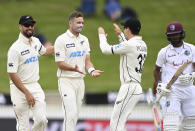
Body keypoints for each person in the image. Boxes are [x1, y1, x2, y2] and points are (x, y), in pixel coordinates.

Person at [54, 11, 104, 131]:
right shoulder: (61, 39)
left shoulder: (85, 40)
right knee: (70, 114)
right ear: (70, 23)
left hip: (80, 82)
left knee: (75, 116)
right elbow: (60, 64)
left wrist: (91, 71)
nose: (81, 25)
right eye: (78, 22)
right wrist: (74, 68)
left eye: (82, 22)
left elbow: (87, 61)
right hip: (66, 81)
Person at [98, 17, 147, 131]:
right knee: (120, 123)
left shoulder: (129, 45)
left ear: (128, 30)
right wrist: (120, 35)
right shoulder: (143, 44)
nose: (124, 30)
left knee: (115, 125)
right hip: (135, 87)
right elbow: (128, 48)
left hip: (129, 87)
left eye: (124, 28)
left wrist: (101, 36)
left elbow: (105, 49)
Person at [7, 15, 54, 131]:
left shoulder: (36, 41)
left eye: (31, 25)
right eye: (26, 25)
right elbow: (12, 74)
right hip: (19, 88)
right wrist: (26, 93)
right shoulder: (15, 49)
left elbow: (44, 52)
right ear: (20, 27)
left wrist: (59, 46)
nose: (30, 27)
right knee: (23, 127)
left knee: (42, 120)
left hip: (35, 85)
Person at [153, 21, 195, 131]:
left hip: (189, 90)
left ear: (182, 34)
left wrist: (193, 75)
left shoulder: (191, 49)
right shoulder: (164, 52)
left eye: (176, 34)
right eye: (171, 35)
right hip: (172, 91)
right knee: (170, 125)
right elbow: (156, 70)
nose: (174, 37)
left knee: (191, 124)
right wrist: (159, 84)